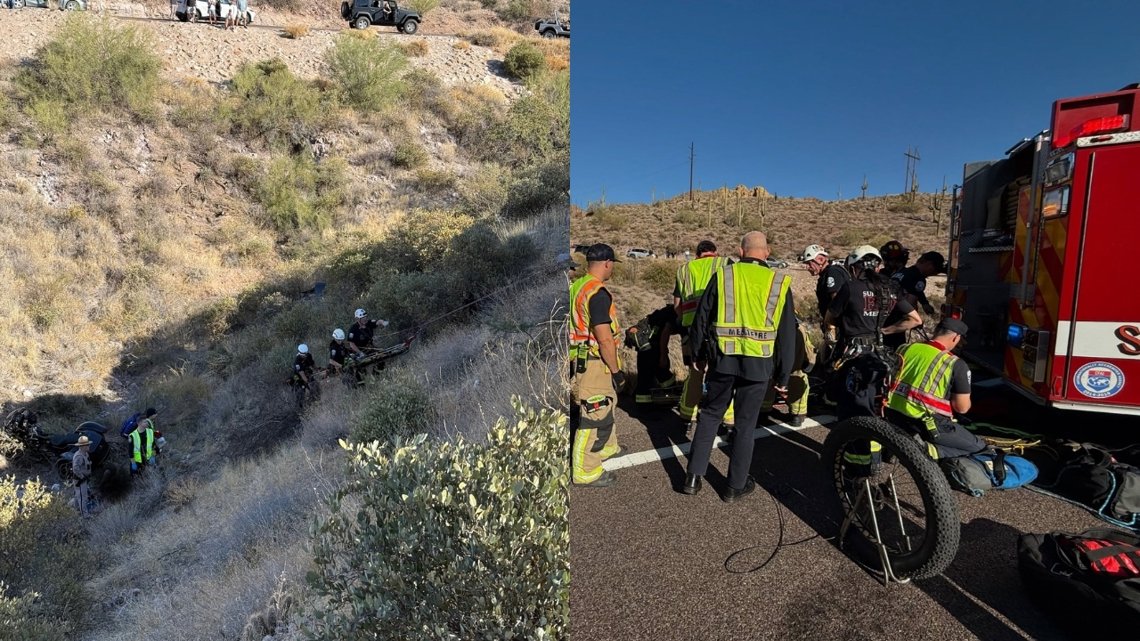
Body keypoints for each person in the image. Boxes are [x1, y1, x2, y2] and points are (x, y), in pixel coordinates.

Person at [683, 231, 795, 503]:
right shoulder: (779, 281)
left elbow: (702, 318)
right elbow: (787, 333)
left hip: (723, 360)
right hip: (759, 366)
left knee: (710, 415)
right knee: (745, 425)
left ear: (741, 251)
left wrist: (696, 354)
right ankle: (734, 486)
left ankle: (693, 478)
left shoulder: (724, 275)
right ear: (766, 252)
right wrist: (784, 373)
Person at [886, 318, 987, 460]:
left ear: (936, 331)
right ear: (956, 338)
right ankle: (931, 451)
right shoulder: (955, 363)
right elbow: (962, 408)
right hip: (927, 424)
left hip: (893, 415)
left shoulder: (904, 348)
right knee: (979, 448)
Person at [569, 244, 625, 488]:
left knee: (607, 403)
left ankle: (607, 447)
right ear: (607, 263)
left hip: (584, 358)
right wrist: (616, 371)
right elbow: (603, 337)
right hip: (594, 361)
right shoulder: (598, 293)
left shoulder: (579, 286)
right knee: (593, 414)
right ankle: (585, 470)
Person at [823, 245, 921, 367]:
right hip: (882, 352)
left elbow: (829, 318)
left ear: (853, 269)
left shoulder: (850, 287)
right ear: (878, 268)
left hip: (853, 353)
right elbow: (915, 320)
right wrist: (884, 331)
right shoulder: (891, 287)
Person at [673, 240, 733, 425]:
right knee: (723, 372)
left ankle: (687, 414)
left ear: (698, 254)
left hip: (692, 328)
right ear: (715, 252)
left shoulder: (684, 270)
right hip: (719, 326)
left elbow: (677, 305)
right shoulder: (725, 263)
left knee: (696, 371)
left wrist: (685, 322)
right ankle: (728, 417)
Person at [759, 314, 814, 427]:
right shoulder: (797, 322)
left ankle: (763, 412)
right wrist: (810, 360)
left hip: (769, 330)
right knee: (797, 375)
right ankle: (797, 414)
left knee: (770, 374)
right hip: (792, 332)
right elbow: (807, 348)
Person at [625, 304, 678, 404]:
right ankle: (645, 405)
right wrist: (663, 355)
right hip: (648, 344)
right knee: (650, 373)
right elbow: (664, 335)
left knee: (652, 372)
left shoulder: (665, 313)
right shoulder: (673, 314)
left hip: (648, 342)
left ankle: (645, 400)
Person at [893, 251, 947, 317]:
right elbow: (911, 302)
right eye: (936, 270)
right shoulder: (918, 278)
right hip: (896, 314)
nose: (935, 273)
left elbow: (916, 291)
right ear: (929, 264)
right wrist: (915, 320)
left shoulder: (903, 272)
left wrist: (924, 303)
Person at [129, 411, 157, 476]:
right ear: (139, 423)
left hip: (147, 459)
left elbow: (154, 445)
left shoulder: (150, 431)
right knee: (136, 477)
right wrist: (133, 463)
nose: (147, 423)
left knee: (148, 476)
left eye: (147, 421)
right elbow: (130, 451)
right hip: (137, 461)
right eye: (145, 422)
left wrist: (153, 456)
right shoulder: (132, 435)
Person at [73, 435, 93, 518]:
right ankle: (85, 515)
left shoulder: (85, 454)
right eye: (87, 445)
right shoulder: (79, 456)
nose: (88, 446)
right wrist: (82, 477)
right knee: (82, 497)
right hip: (80, 480)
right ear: (83, 446)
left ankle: (75, 510)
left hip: (84, 479)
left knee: (79, 496)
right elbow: (75, 468)